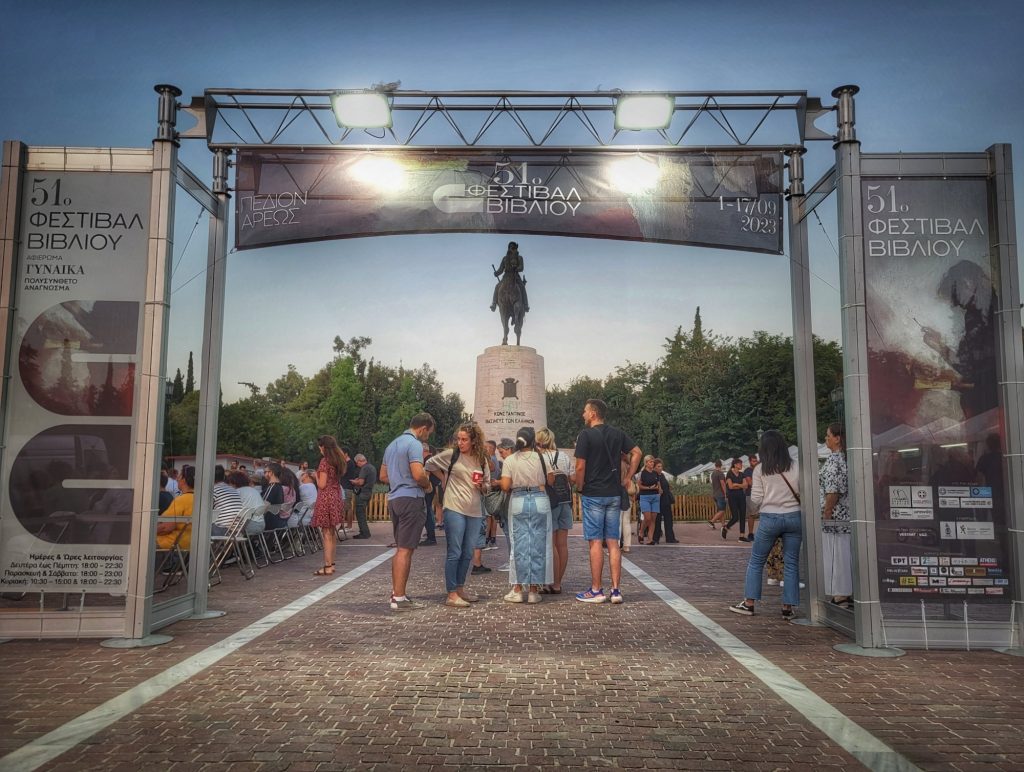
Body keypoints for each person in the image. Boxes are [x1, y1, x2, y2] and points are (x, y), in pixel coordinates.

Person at [729, 430, 802, 619]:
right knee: (791, 562)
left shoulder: (760, 469)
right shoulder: (795, 466)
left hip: (770, 517)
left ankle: (749, 603)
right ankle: (788, 607)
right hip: (794, 516)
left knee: (756, 561)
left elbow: (756, 498)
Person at [574, 398, 641, 604]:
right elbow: (637, 452)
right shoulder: (617, 433)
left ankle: (596, 590)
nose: (583, 414)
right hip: (614, 493)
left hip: (593, 493)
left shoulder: (585, 435)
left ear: (593, 413)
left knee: (595, 541)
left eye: (585, 411)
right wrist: (628, 476)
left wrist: (579, 486)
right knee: (613, 542)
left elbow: (579, 467)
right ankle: (616, 590)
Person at [425, 423, 491, 608]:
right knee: (455, 550)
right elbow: (429, 463)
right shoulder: (452, 455)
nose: (460, 443)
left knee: (468, 551)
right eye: (458, 439)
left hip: (475, 510)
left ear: (473, 441)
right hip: (454, 507)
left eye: (464, 440)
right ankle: (451, 593)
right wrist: (443, 478)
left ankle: (460, 588)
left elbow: (488, 485)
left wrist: (483, 487)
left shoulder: (482, 459)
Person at [380, 413, 435, 611]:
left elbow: (383, 475)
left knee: (401, 548)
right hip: (411, 497)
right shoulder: (414, 444)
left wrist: (398, 478)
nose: (427, 436)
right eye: (428, 433)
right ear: (423, 428)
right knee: (405, 549)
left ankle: (397, 592)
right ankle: (399, 597)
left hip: (394, 498)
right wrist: (427, 486)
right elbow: (418, 474)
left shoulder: (392, 445)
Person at [499, 427, 553, 604]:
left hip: (519, 499)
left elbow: (506, 486)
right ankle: (533, 590)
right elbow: (551, 480)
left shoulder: (510, 460)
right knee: (539, 544)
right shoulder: (543, 457)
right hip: (539, 499)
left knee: (519, 545)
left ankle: (517, 589)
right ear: (533, 441)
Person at [537, 427, 574, 594]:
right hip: (565, 501)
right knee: (562, 545)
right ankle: (558, 583)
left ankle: (550, 580)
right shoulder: (564, 456)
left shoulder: (540, 457)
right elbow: (572, 479)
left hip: (549, 501)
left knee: (550, 544)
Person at [820, 423, 852, 609]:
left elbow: (832, 490)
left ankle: (840, 593)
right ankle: (844, 591)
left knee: (836, 554)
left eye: (828, 435)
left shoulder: (834, 461)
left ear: (837, 438)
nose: (826, 438)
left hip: (836, 517)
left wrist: (827, 512)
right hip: (845, 514)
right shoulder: (846, 459)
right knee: (844, 553)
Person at [311, 435, 347, 577]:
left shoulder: (324, 462)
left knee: (326, 534)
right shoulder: (338, 460)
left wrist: (316, 476)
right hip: (336, 496)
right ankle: (332, 564)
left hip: (326, 498)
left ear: (323, 447)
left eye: (320, 446)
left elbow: (322, 484)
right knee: (332, 533)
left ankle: (327, 566)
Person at [156, 465, 193, 554]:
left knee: (140, 541)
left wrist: (148, 531)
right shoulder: (200, 500)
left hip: (173, 542)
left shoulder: (181, 500)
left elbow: (166, 527)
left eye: (179, 477)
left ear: (184, 480)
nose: (177, 479)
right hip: (190, 542)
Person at [490, 240, 530, 313]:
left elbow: (521, 267)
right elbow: (501, 269)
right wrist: (497, 273)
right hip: (506, 277)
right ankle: (494, 303)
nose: (511, 249)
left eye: (513, 247)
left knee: (522, 287)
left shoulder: (519, 257)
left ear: (515, 249)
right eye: (510, 247)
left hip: (515, 276)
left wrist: (516, 269)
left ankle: (526, 305)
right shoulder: (505, 258)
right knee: (497, 286)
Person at [350, 454, 377, 539]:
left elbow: (361, 482)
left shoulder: (364, 468)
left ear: (359, 461)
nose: (357, 465)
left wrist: (354, 482)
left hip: (362, 493)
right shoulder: (372, 467)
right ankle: (365, 532)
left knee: (360, 514)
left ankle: (364, 533)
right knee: (362, 513)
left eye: (356, 463)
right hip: (368, 492)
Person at [722, 458, 749, 542]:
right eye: (740, 464)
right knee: (735, 517)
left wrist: (736, 484)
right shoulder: (729, 474)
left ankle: (741, 536)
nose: (741, 465)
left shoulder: (742, 474)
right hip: (732, 497)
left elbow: (746, 485)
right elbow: (730, 486)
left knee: (743, 516)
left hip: (741, 496)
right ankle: (726, 527)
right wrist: (741, 485)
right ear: (735, 464)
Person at [651, 459, 678, 544]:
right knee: (657, 520)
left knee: (669, 520)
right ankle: (656, 538)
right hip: (658, 500)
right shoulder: (653, 476)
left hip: (666, 500)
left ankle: (670, 538)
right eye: (658, 466)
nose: (660, 468)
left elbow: (665, 486)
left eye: (661, 466)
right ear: (654, 467)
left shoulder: (662, 475)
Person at [211, 464, 243, 536]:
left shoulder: (214, 490)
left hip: (223, 529)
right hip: (237, 529)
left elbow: (206, 509)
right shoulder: (233, 489)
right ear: (223, 476)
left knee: (199, 528)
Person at [636, 455, 661, 545]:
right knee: (647, 518)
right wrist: (648, 488)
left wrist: (659, 490)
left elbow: (658, 483)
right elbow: (639, 485)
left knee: (653, 518)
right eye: (650, 462)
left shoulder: (655, 473)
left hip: (655, 496)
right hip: (645, 496)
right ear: (646, 463)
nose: (652, 463)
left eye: (653, 462)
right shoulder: (642, 473)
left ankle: (650, 539)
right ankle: (641, 531)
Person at [420, 444, 441, 546]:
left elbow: (426, 476)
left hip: (429, 488)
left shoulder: (428, 461)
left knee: (427, 512)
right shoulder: (431, 459)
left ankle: (431, 537)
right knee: (429, 511)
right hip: (434, 487)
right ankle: (430, 535)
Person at [744, 454, 760, 538]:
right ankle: (750, 533)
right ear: (750, 462)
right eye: (754, 461)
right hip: (750, 495)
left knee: (763, 514)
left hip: (760, 494)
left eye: (756, 460)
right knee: (752, 515)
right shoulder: (747, 471)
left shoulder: (759, 470)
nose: (755, 462)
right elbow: (750, 483)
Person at [708, 460, 727, 529]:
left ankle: (723, 525)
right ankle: (712, 521)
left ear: (715, 465)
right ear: (721, 465)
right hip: (720, 494)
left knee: (720, 510)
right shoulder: (720, 473)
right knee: (722, 510)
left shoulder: (713, 473)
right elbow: (722, 483)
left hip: (715, 494)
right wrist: (725, 493)